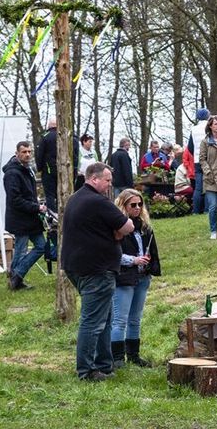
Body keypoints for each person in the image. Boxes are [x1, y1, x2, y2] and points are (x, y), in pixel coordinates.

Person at [62, 163, 135, 381]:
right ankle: (86, 370)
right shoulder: (98, 201)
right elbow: (128, 226)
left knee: (105, 318)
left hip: (76, 266)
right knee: (93, 321)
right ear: (94, 179)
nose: (110, 184)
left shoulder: (75, 198)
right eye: (108, 180)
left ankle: (104, 364)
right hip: (97, 270)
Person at [111, 189, 161, 368]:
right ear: (123, 206)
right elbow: (112, 254)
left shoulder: (144, 227)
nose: (138, 208)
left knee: (135, 318)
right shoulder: (117, 228)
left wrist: (150, 264)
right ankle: (117, 358)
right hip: (124, 277)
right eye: (133, 205)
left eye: (140, 204)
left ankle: (133, 355)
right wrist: (133, 260)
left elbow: (152, 250)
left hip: (142, 275)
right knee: (120, 319)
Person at [4, 141, 48, 291]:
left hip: (31, 217)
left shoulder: (27, 169)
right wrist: (37, 207)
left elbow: (29, 194)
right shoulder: (12, 173)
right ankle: (16, 280)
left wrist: (36, 204)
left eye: (29, 151)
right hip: (19, 219)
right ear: (17, 154)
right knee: (21, 250)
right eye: (24, 152)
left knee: (42, 246)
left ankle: (16, 276)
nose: (28, 154)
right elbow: (15, 199)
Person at [187, 108, 210, 214]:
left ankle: (196, 210)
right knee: (209, 185)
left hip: (197, 161)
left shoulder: (194, 129)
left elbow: (190, 147)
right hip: (209, 160)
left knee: (198, 187)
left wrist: (196, 155)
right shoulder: (209, 127)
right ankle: (206, 209)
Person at [35, 118, 58, 211]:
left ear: (49, 126)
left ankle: (52, 216)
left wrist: (39, 168)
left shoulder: (45, 137)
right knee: (61, 194)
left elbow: (39, 154)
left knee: (50, 195)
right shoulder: (64, 136)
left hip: (48, 171)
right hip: (63, 172)